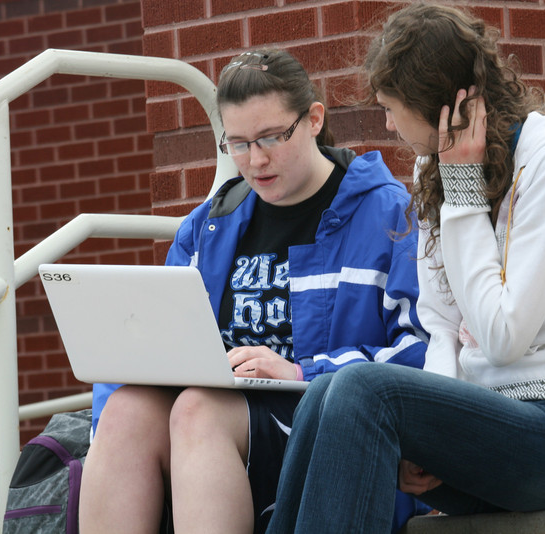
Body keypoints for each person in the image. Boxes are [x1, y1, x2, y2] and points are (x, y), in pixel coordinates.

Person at [266, 3, 545, 533]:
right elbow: (440, 323)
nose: (387, 123)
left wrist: (463, 188)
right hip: (479, 426)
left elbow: (502, 335)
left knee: (363, 390)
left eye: (391, 107)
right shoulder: (434, 166)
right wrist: (427, 437)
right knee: (324, 395)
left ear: (435, 106)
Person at [78, 49, 429, 534]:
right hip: (214, 433)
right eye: (238, 144)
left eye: (271, 138)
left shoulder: (390, 216)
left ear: (313, 119)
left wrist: (301, 371)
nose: (255, 161)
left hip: (327, 428)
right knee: (126, 410)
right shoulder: (210, 226)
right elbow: (148, 353)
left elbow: (424, 355)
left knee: (197, 409)